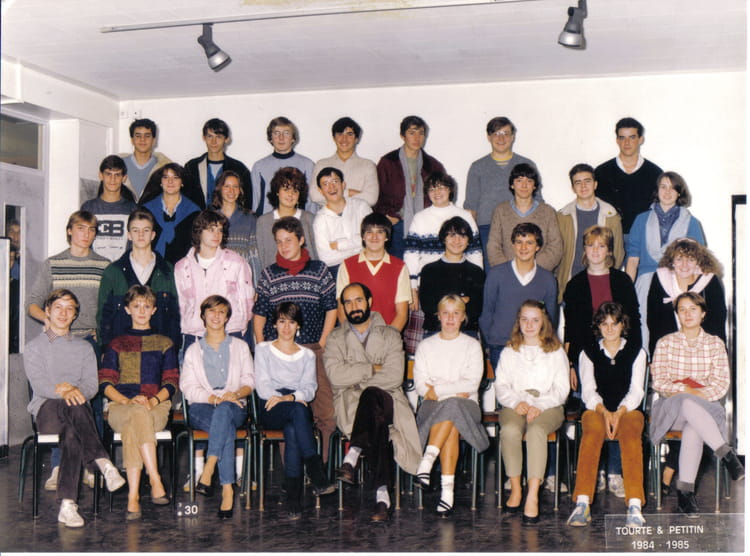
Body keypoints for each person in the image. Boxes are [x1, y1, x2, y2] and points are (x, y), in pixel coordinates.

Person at [24, 290, 126, 528]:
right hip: (46, 412)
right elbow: (40, 385)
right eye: (58, 307)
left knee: (72, 432)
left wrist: (74, 391)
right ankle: (102, 461)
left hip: (76, 415)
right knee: (73, 404)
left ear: (75, 315)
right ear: (47, 311)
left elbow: (91, 386)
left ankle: (68, 505)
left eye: (69, 308)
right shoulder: (34, 347)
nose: (63, 313)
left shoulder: (84, 348)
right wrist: (67, 391)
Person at [326, 283, 421, 522]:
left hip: (389, 402)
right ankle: (382, 495)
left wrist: (357, 379)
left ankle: (353, 453)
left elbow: (394, 376)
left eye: (358, 300)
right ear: (343, 307)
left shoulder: (390, 334)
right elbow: (335, 376)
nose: (354, 306)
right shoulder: (335, 338)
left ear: (369, 302)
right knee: (377, 422)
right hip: (354, 407)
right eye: (348, 302)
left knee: (372, 396)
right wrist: (371, 368)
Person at [649, 292, 744, 517]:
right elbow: (659, 382)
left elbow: (721, 384)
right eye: (682, 309)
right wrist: (686, 391)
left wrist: (692, 393)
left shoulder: (715, 344)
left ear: (703, 314)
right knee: (685, 402)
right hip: (671, 410)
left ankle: (685, 494)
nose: (688, 314)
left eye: (693, 309)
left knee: (694, 425)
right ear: (677, 314)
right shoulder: (665, 343)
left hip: (706, 410)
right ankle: (726, 454)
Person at [562, 225, 640, 497]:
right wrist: (570, 364)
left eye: (601, 246)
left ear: (609, 251)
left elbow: (634, 322)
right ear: (584, 250)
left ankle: (616, 472)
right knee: (594, 413)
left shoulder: (622, 281)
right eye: (591, 245)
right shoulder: (575, 284)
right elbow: (570, 329)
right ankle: (595, 474)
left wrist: (628, 357)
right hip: (588, 357)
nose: (595, 251)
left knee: (619, 408)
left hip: (620, 355)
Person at [253, 216, 337, 461]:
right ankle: (292, 469)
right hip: (279, 353)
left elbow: (331, 308)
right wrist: (263, 346)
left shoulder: (319, 270)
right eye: (279, 242)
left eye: (288, 240)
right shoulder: (269, 274)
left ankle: (323, 465)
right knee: (284, 408)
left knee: (325, 411)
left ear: (301, 240)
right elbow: (259, 315)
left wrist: (322, 342)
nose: (283, 246)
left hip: (313, 348)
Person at [99, 285, 178, 519]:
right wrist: (127, 400)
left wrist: (153, 401)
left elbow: (172, 382)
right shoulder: (116, 343)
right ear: (127, 309)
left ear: (154, 310)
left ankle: (133, 496)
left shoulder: (165, 343)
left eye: (146, 306)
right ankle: (155, 479)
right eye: (136, 306)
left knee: (136, 422)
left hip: (156, 406)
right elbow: (105, 383)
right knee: (136, 413)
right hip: (120, 406)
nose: (141, 311)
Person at [566, 302, 647, 528]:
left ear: (623, 325)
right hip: (596, 408)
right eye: (604, 324)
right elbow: (588, 391)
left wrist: (619, 412)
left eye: (614, 323)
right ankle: (582, 503)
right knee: (592, 431)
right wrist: (604, 411)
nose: (609, 329)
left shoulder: (637, 351)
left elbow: (637, 391)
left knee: (631, 434)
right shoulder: (588, 352)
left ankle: (634, 505)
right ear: (598, 326)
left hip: (628, 409)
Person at [254, 302, 336, 519]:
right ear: (274, 324)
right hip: (270, 406)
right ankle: (316, 472)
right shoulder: (263, 349)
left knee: (293, 429)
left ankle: (293, 498)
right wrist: (286, 398)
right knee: (298, 411)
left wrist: (290, 397)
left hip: (294, 404)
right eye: (281, 321)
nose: (286, 327)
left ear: (298, 325)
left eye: (291, 322)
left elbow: (309, 389)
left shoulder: (307, 355)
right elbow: (262, 386)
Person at [494, 300, 569, 524]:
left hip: (548, 405)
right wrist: (516, 402)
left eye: (535, 320)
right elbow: (501, 385)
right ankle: (516, 489)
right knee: (509, 430)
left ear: (543, 322)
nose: (529, 325)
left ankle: (533, 494)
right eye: (524, 319)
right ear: (518, 322)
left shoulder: (555, 351)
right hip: (516, 403)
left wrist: (540, 405)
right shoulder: (510, 351)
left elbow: (561, 389)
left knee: (536, 431)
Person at [180, 295, 255, 519]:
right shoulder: (193, 350)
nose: (216, 316)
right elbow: (188, 388)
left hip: (234, 404)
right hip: (202, 406)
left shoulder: (241, 347)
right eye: (211, 311)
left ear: (227, 317)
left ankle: (210, 466)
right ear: (203, 316)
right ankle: (227, 489)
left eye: (222, 312)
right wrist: (213, 398)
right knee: (225, 425)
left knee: (224, 414)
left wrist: (235, 394)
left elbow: (249, 381)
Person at [413, 294, 489, 516]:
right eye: (445, 313)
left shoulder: (472, 345)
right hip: (432, 407)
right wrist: (454, 389)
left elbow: (471, 384)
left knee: (454, 406)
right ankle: (447, 493)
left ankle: (427, 462)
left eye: (456, 313)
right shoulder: (426, 346)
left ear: (463, 317)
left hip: (467, 407)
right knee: (452, 415)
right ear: (438, 315)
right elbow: (421, 387)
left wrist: (438, 388)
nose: (450, 318)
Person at [403, 171, 482, 353]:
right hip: (428, 284)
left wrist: (474, 287)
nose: (437, 192)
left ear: (450, 190)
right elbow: (411, 255)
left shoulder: (465, 216)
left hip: (462, 280)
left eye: (441, 187)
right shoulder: (420, 218)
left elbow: (475, 254)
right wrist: (412, 287)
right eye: (432, 189)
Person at [625, 171, 706, 347]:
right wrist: (627, 292)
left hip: (678, 283)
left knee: (677, 329)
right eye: (663, 187)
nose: (667, 192)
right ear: (657, 190)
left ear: (679, 193)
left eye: (672, 188)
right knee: (643, 330)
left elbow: (700, 262)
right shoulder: (641, 220)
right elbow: (632, 260)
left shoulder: (691, 223)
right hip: (646, 283)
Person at [97, 208, 180, 350]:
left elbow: (174, 314)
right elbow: (104, 316)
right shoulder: (113, 272)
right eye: (135, 230)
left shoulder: (168, 271)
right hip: (123, 351)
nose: (141, 234)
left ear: (153, 235)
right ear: (129, 235)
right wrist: (105, 348)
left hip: (158, 350)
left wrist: (172, 348)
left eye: (146, 230)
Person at [174, 210, 255, 355]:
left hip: (230, 331)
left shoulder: (237, 262)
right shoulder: (182, 267)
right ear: (199, 232)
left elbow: (247, 300)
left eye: (220, 230)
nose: (217, 234)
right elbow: (181, 303)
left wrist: (239, 325)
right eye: (211, 229)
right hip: (195, 334)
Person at [479, 222, 558, 369]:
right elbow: (486, 313)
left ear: (538, 247)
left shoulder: (548, 279)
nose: (523, 247)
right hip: (501, 346)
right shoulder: (496, 274)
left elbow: (551, 318)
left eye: (529, 243)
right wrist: (491, 342)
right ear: (513, 245)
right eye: (519, 242)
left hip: (534, 348)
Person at [464, 116, 540, 267]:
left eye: (506, 133)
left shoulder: (526, 164)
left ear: (513, 137)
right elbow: (471, 207)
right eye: (496, 133)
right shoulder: (477, 167)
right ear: (489, 137)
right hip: (487, 229)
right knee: (493, 274)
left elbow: (538, 200)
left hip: (522, 228)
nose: (501, 138)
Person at [374, 115, 446, 259]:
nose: (417, 138)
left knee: (424, 266)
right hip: (397, 225)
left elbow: (443, 195)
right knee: (399, 267)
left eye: (421, 133)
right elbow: (377, 195)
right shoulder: (388, 162)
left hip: (426, 224)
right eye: (412, 132)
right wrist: (388, 216)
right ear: (403, 136)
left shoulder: (433, 165)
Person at [556, 163, 624, 301]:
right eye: (578, 182)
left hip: (602, 284)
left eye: (587, 181)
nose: (583, 186)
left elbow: (617, 253)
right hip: (571, 284)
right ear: (573, 188)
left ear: (595, 184)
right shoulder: (562, 217)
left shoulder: (611, 217)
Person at [647, 238, 726, 355]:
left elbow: (718, 323)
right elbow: (653, 322)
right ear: (672, 261)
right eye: (679, 259)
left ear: (698, 261)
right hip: (669, 350)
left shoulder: (709, 281)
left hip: (703, 351)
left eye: (690, 259)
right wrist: (655, 355)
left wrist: (718, 355)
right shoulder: (660, 279)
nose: (684, 265)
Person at [335, 212, 411, 332]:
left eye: (380, 232)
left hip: (388, 336)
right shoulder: (347, 265)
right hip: (355, 337)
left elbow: (402, 314)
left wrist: (387, 339)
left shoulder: (400, 267)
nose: (374, 237)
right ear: (363, 236)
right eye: (369, 232)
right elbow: (341, 309)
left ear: (387, 236)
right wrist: (354, 337)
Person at [486, 163, 562, 271]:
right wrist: (509, 271)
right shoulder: (500, 211)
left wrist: (532, 269)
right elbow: (493, 246)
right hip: (507, 273)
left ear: (534, 186)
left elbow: (555, 247)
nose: (524, 185)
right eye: (519, 180)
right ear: (512, 185)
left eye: (529, 181)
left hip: (539, 273)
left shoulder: (548, 212)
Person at [594, 117, 663, 236]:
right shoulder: (601, 172)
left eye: (632, 137)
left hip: (644, 238)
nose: (627, 143)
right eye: (622, 138)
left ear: (641, 139)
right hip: (610, 237)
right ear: (617, 140)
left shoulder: (655, 173)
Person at [418, 216, 485, 338]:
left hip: (467, 332)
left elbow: (476, 309)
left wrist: (443, 299)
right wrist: (462, 300)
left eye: (462, 236)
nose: (457, 241)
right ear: (444, 238)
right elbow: (428, 306)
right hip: (435, 331)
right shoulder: (429, 270)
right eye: (452, 235)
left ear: (468, 241)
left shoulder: (476, 272)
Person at [312, 167, 372, 274]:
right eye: (326, 184)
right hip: (338, 269)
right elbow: (327, 258)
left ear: (343, 185)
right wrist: (358, 244)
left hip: (367, 261)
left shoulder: (361, 206)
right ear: (320, 191)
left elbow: (372, 238)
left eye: (335, 181)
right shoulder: (320, 220)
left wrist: (340, 245)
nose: (332, 187)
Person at [252, 116, 316, 216]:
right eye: (276, 133)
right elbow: (256, 202)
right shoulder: (259, 167)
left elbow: (311, 204)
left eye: (286, 133)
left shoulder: (307, 165)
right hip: (268, 221)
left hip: (298, 222)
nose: (281, 138)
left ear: (293, 138)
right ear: (270, 138)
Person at [209, 170, 263, 286]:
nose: (231, 191)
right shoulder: (209, 218)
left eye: (235, 186)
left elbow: (254, 257)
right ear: (219, 189)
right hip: (216, 281)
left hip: (242, 281)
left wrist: (256, 285)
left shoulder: (250, 219)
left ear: (240, 190)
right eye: (227, 186)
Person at [256, 167, 318, 268]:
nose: (290, 194)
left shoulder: (310, 219)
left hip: (307, 274)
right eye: (286, 189)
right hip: (274, 275)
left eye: (295, 191)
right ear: (277, 192)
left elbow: (316, 254)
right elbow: (262, 257)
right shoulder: (263, 222)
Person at [184, 118, 252, 210]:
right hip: (199, 218)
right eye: (210, 136)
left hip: (229, 219)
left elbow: (247, 202)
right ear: (204, 137)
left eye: (218, 137)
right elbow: (185, 199)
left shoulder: (239, 169)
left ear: (226, 139)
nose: (214, 142)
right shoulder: (191, 167)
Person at [140, 163, 202, 265]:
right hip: (150, 266)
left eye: (175, 177)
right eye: (165, 177)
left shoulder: (194, 213)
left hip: (185, 268)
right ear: (160, 182)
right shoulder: (146, 211)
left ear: (182, 182)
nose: (170, 181)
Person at [311, 117, 379, 207]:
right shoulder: (321, 164)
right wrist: (350, 192)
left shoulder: (368, 165)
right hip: (329, 215)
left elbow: (371, 199)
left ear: (356, 139)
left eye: (349, 134)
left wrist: (332, 194)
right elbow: (315, 196)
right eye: (340, 134)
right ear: (334, 138)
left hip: (359, 215)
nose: (344, 139)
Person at [81, 155, 138, 262]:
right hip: (94, 266)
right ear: (100, 175)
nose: (113, 179)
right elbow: (82, 241)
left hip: (122, 268)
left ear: (124, 178)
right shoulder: (88, 207)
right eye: (108, 174)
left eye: (117, 175)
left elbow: (136, 243)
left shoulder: (132, 209)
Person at [120, 118, 172, 202]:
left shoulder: (165, 167)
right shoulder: (118, 165)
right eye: (138, 136)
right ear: (132, 140)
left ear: (154, 140)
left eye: (147, 136)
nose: (142, 139)